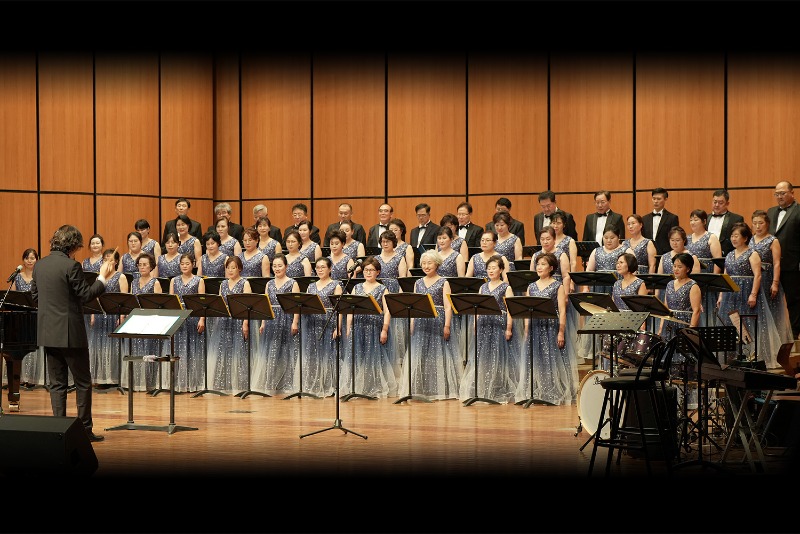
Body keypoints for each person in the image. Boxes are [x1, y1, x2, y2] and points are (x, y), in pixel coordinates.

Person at [31, 224, 116, 443]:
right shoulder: (72, 265)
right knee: (82, 383)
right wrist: (103, 278)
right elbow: (86, 294)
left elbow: (35, 297)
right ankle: (85, 431)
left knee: (57, 384)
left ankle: (59, 430)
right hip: (70, 333)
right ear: (73, 245)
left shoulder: (39, 265)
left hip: (48, 332)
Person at [717, 222, 783, 369]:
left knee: (747, 325)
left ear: (745, 238)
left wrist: (753, 294)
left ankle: (750, 357)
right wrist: (721, 295)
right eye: (732, 236)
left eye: (736, 236)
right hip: (730, 294)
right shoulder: (729, 254)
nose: (733, 239)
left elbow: (758, 275)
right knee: (729, 324)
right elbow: (726, 275)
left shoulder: (752, 254)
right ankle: (731, 359)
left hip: (746, 292)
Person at [516, 252, 578, 406]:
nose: (539, 267)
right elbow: (526, 310)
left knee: (552, 359)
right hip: (535, 326)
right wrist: (526, 329)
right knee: (536, 359)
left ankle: (553, 391)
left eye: (543, 264)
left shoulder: (558, 285)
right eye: (538, 264)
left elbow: (562, 311)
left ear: (551, 268)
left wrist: (561, 331)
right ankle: (537, 391)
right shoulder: (531, 286)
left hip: (551, 327)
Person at [398, 250, 460, 400]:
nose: (426, 266)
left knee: (437, 355)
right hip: (420, 320)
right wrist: (412, 323)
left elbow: (447, 306)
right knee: (420, 354)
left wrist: (447, 325)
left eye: (429, 263)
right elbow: (413, 305)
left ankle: (438, 389)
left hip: (437, 321)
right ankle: (420, 389)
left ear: (437, 264)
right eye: (424, 263)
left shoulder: (444, 282)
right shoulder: (418, 282)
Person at [458, 255, 519, 404]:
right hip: (484, 324)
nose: (491, 271)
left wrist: (509, 328)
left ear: (501, 270)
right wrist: (475, 323)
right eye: (489, 268)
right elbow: (477, 307)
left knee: (499, 357)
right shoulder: (483, 287)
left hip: (499, 324)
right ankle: (483, 389)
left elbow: (511, 310)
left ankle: (498, 389)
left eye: (494, 268)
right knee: (483, 357)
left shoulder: (506, 287)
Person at [341, 256, 397, 398]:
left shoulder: (383, 289)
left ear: (378, 272)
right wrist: (348, 328)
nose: (368, 272)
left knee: (374, 358)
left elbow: (387, 311)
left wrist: (384, 330)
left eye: (371, 270)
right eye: (366, 270)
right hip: (358, 326)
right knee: (358, 357)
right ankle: (358, 387)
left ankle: (374, 387)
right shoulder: (356, 287)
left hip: (374, 327)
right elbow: (350, 309)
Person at [291, 257, 341, 398]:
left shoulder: (336, 285)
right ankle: (312, 383)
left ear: (330, 269)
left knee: (328, 354)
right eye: (317, 267)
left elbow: (339, 309)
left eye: (323, 267)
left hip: (328, 321)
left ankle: (328, 385)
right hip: (311, 322)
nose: (319, 270)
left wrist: (338, 327)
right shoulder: (311, 286)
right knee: (312, 353)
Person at [208, 256, 251, 394]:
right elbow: (220, 303)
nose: (231, 270)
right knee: (223, 350)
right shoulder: (223, 284)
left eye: (233, 267)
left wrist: (245, 323)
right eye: (228, 268)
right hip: (224, 320)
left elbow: (247, 306)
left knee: (238, 351)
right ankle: (223, 384)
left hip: (239, 320)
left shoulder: (245, 283)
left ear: (239, 268)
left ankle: (239, 384)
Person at [750, 209, 793, 346]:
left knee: (770, 312)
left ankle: (772, 345)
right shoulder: (750, 239)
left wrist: (775, 283)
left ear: (767, 224)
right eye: (755, 223)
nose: (757, 226)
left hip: (767, 278)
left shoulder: (772, 240)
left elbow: (777, 263)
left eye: (760, 223)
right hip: (752, 279)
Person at [259, 253, 301, 396]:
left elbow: (296, 306)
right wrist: (263, 322)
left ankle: (287, 384)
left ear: (286, 266)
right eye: (274, 266)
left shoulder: (292, 283)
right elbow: (266, 305)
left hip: (287, 318)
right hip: (272, 319)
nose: (277, 268)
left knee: (287, 351)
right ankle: (271, 383)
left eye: (280, 266)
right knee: (272, 352)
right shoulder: (269, 284)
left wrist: (295, 322)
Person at [88, 248, 128, 389]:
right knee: (99, 346)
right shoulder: (100, 277)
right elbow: (95, 297)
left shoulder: (121, 277)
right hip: (100, 315)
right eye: (105, 259)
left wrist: (122, 316)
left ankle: (113, 378)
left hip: (114, 317)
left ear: (116, 261)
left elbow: (125, 299)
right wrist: (93, 315)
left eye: (110, 259)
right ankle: (101, 377)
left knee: (113, 347)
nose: (107, 262)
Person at [169, 253, 206, 392]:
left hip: (194, 316)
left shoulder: (198, 280)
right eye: (182, 264)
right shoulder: (174, 280)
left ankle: (193, 382)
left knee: (193, 349)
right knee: (179, 348)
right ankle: (179, 382)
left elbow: (202, 302)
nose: (184, 266)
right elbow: (171, 302)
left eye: (187, 263)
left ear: (193, 264)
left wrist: (202, 319)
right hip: (179, 317)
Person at [768, 181, 800, 340]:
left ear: (792, 193)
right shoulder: (770, 212)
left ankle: (794, 333)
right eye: (777, 193)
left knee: (793, 300)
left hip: (791, 264)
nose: (779, 196)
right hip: (771, 266)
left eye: (782, 193)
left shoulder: (799, 211)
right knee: (771, 300)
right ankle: (774, 333)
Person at [125, 253, 162, 392]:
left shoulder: (155, 282)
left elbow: (159, 305)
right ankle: (138, 382)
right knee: (138, 350)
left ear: (151, 266)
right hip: (137, 321)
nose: (142, 267)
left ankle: (150, 383)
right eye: (139, 264)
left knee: (149, 351)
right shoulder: (133, 282)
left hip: (150, 321)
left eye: (145, 264)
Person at [658, 253, 703, 365]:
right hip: (670, 323)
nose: (676, 269)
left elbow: (696, 310)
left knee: (684, 357)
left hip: (684, 323)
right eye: (674, 266)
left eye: (680, 267)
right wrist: (660, 327)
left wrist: (690, 332)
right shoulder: (669, 284)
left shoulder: (693, 285)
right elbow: (665, 308)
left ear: (688, 269)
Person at [14, 249, 45, 389]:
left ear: (37, 260)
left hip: (36, 315)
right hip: (21, 317)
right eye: (27, 258)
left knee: (34, 347)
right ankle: (20, 377)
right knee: (20, 347)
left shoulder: (40, 276)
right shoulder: (17, 277)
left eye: (32, 258)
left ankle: (32, 377)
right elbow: (13, 297)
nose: (29, 260)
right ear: (23, 260)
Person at [582, 226, 626, 294]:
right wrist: (585, 287)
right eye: (606, 238)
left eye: (612, 238)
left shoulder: (626, 250)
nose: (609, 240)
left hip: (619, 287)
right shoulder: (596, 251)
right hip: (598, 287)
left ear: (618, 237)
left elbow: (633, 272)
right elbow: (589, 270)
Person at [641, 187, 679, 256]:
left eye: (658, 199)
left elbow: (674, 237)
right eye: (654, 198)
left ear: (665, 199)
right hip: (648, 255)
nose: (655, 201)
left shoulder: (672, 218)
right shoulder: (644, 219)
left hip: (666, 254)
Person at [709, 189, 746, 257]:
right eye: (715, 202)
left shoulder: (736, 219)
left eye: (720, 203)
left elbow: (741, 241)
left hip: (727, 257)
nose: (717, 205)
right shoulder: (706, 218)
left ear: (727, 204)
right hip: (707, 256)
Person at [686, 209, 723, 273]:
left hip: (706, 275)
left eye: (695, 220)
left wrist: (714, 278)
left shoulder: (711, 237)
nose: (692, 222)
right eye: (691, 220)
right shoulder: (687, 238)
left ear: (704, 221)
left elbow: (718, 261)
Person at [409, 203, 441, 267]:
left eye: (423, 215)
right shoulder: (413, 231)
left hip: (429, 264)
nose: (421, 218)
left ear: (429, 215)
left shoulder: (436, 228)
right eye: (418, 215)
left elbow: (437, 248)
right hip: (415, 264)